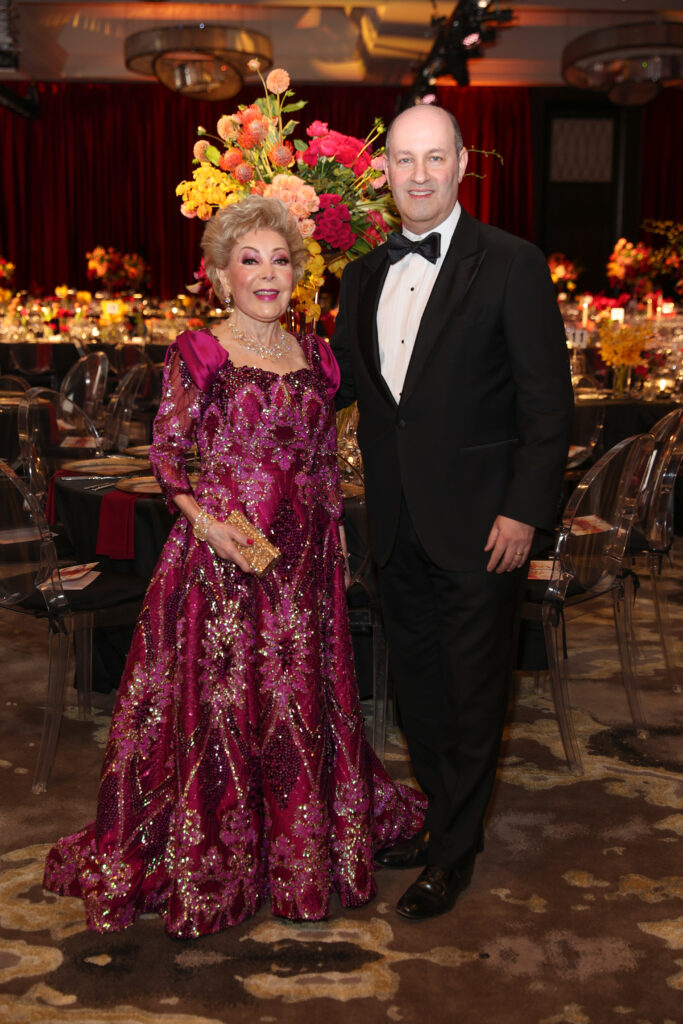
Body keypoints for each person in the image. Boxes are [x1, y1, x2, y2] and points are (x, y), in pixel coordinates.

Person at [43, 196, 425, 938]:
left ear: (297, 274)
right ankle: (218, 859)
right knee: (223, 709)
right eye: (249, 259)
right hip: (222, 560)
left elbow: (318, 459)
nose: (267, 273)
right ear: (220, 275)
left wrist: (334, 532)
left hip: (304, 563)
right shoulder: (199, 352)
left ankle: (298, 848)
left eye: (280, 260)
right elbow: (168, 457)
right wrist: (209, 526)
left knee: (295, 702)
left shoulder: (316, 356)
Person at [331, 104, 573, 921]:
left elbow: (547, 408)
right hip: (395, 522)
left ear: (463, 164)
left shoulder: (510, 263)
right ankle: (441, 818)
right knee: (420, 691)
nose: (420, 175)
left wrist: (522, 513)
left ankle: (455, 853)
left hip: (482, 527)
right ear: (386, 171)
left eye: (435, 158)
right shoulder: (361, 273)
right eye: (404, 160)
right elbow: (346, 391)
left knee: (473, 695)